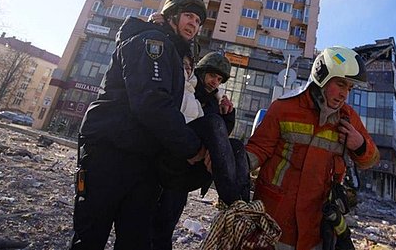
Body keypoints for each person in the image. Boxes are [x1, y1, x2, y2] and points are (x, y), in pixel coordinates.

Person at [69, 0, 208, 250]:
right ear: (172, 16)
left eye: (198, 21)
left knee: (136, 239)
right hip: (110, 153)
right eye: (189, 15)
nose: (194, 24)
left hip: (144, 160)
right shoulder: (151, 42)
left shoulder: (172, 52)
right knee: (91, 235)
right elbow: (152, 102)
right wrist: (192, 148)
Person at [245, 46, 380, 250]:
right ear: (322, 77)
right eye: (341, 84)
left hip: (316, 229)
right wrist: (228, 164)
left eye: (350, 88)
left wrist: (359, 144)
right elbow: (257, 150)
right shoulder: (284, 108)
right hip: (272, 222)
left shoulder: (348, 118)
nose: (345, 94)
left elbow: (371, 160)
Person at [152, 51, 251, 250]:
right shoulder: (186, 85)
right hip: (171, 161)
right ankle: (231, 199)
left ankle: (242, 208)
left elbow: (219, 137)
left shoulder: (214, 102)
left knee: (238, 147)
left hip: (186, 174)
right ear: (203, 71)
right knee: (152, 225)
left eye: (220, 79)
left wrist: (228, 115)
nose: (216, 82)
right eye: (213, 76)